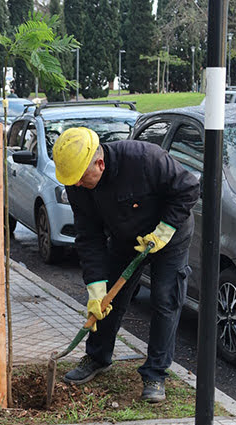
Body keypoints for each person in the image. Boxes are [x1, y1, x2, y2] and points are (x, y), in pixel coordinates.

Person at [52, 127, 199, 403]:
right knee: (111, 298)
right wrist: (96, 288)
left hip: (169, 236)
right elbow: (88, 236)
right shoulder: (78, 186)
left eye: (82, 179)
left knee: (165, 298)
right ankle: (97, 358)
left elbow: (188, 188)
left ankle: (155, 374)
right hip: (125, 238)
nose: (79, 185)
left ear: (100, 163)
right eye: (74, 182)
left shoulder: (145, 159)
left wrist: (165, 229)